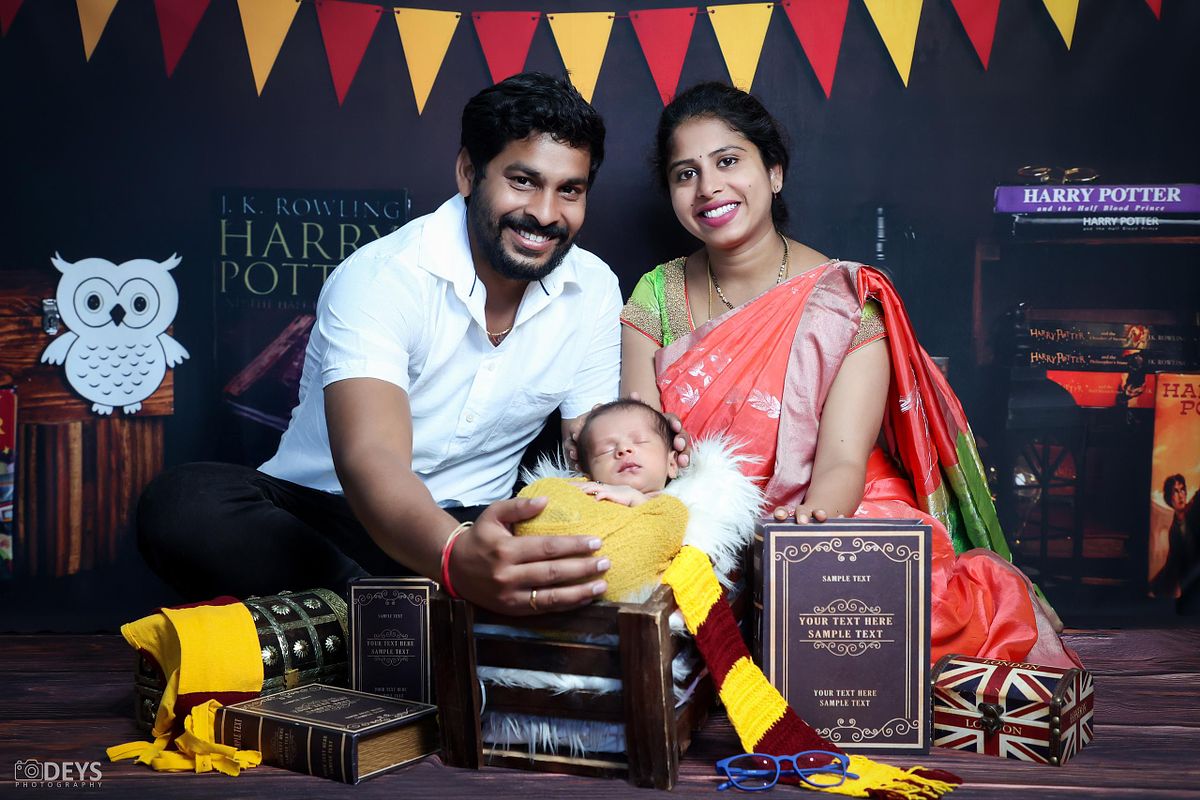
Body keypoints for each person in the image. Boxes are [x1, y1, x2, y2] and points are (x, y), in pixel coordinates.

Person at [620, 82, 1080, 667]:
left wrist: (805, 533)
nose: (708, 186)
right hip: (697, 518)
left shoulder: (847, 299)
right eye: (686, 173)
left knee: (889, 617)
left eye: (728, 161)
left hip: (829, 506)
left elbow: (843, 462)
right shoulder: (657, 294)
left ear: (774, 173)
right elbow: (636, 437)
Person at [138, 73, 625, 616]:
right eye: (523, 181)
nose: (546, 213)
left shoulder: (594, 288)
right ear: (469, 173)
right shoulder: (380, 275)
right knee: (183, 504)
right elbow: (371, 457)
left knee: (588, 541)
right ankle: (409, 614)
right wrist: (452, 557)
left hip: (480, 523)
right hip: (329, 519)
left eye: (569, 190)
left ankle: (356, 619)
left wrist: (641, 455)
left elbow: (590, 442)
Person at [1151, 474, 1199, 599]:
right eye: (1176, 491)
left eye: (1182, 490)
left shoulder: (1194, 511)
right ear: (1169, 499)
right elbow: (1173, 563)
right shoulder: (1174, 532)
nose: (1181, 495)